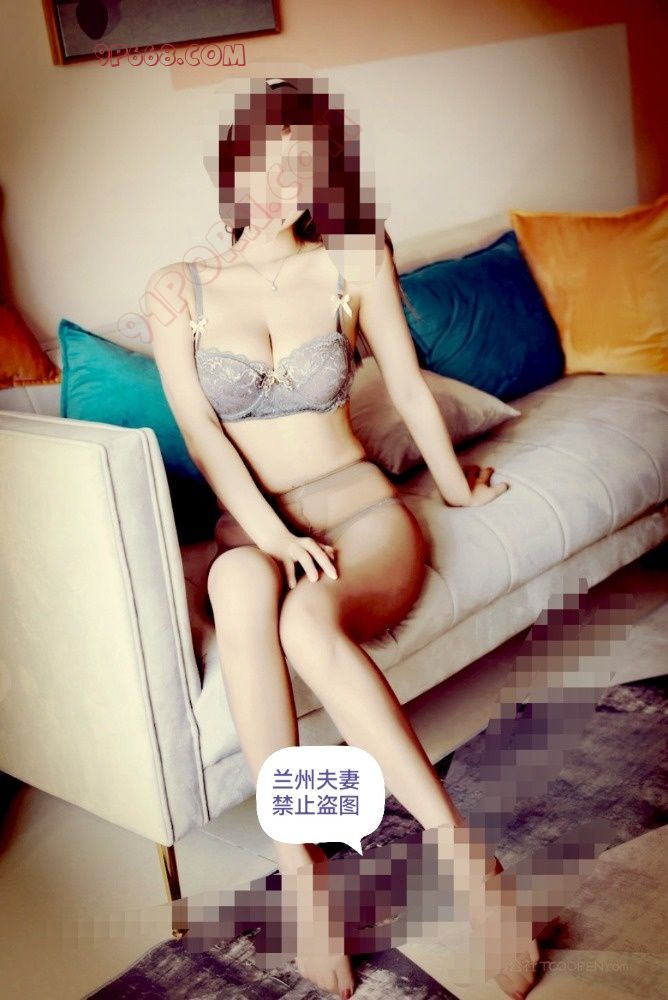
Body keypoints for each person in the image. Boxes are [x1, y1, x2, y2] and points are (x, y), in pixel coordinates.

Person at [146, 77, 539, 999]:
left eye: (305, 168)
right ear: (234, 167)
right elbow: (203, 434)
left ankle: (467, 863)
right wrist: (273, 537)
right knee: (240, 585)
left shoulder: (352, 261)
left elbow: (406, 387)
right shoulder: (177, 291)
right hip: (252, 527)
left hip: (362, 512)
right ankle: (304, 871)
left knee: (304, 623)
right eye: (266, 163)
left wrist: (456, 485)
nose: (282, 185)